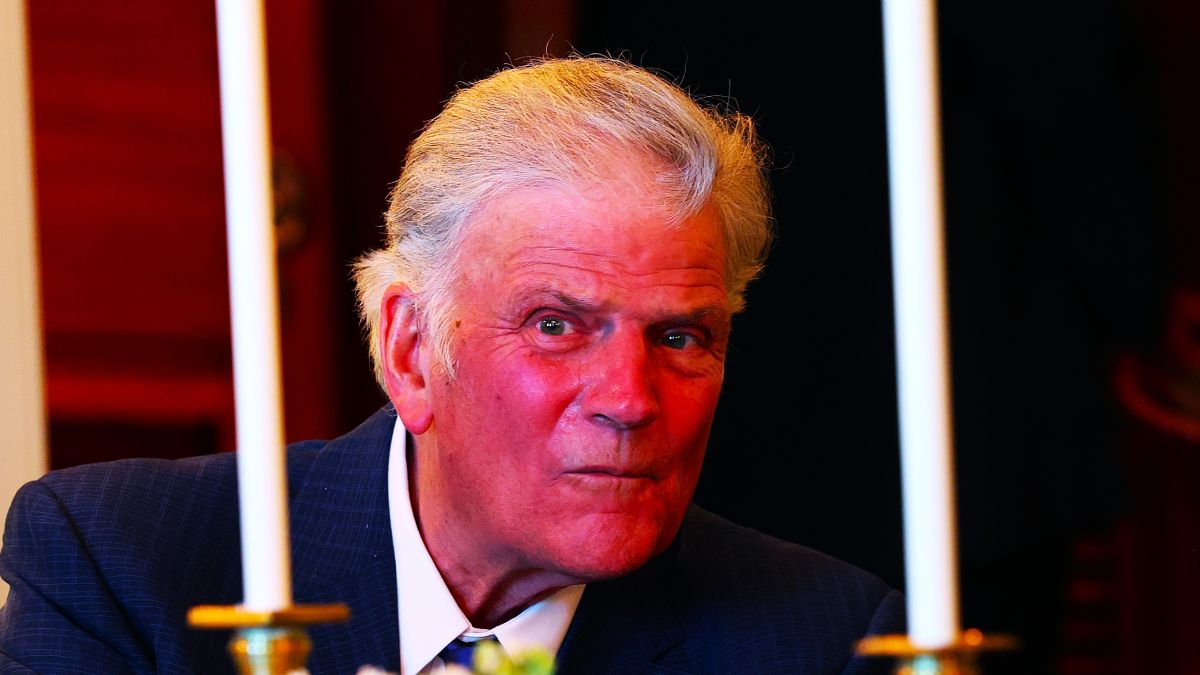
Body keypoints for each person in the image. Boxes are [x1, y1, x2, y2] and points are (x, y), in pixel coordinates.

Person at [0, 56, 901, 674]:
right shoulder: (125, 561)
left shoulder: (822, 637)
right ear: (408, 348)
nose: (630, 400)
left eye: (678, 337)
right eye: (555, 325)